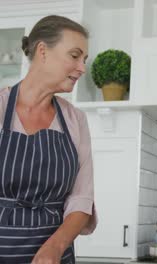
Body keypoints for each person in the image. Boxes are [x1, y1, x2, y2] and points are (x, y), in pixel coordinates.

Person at [0, 15, 96, 263]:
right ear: (43, 51)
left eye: (84, 60)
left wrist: (56, 246)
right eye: (74, 56)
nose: (82, 68)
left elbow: (81, 198)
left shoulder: (75, 120)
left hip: (56, 253)